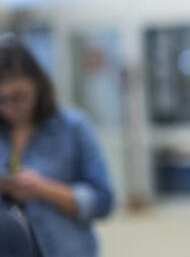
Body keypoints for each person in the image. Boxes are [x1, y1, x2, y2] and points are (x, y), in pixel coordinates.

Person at [0, 35, 114, 257]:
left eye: (19, 97)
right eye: (1, 100)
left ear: (38, 85)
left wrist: (44, 189)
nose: (10, 107)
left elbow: (103, 201)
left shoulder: (73, 127)